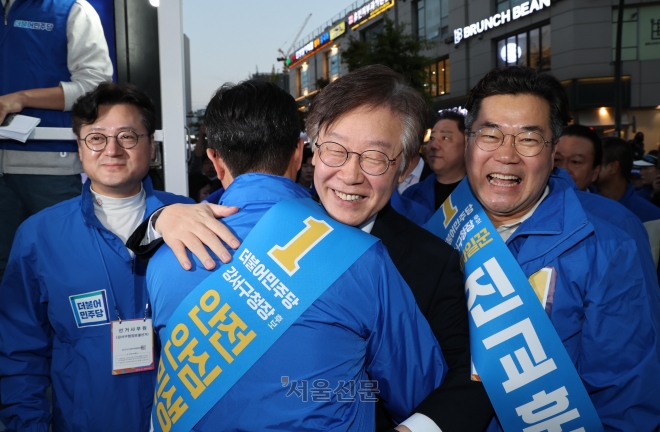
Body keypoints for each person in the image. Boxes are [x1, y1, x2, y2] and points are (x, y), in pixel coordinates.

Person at [129, 66, 493, 432]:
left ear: (404, 167)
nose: (351, 175)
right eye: (335, 150)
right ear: (310, 153)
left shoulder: (432, 261)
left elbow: (457, 383)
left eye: (375, 157)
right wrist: (159, 219)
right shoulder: (195, 230)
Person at [461, 66, 660, 430]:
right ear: (468, 141)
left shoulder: (608, 248)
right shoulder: (442, 228)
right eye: (490, 135)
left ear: (554, 150)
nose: (506, 155)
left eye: (529, 139)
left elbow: (626, 401)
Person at [0, 83, 196, 431]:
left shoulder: (191, 218)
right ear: (79, 147)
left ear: (151, 146)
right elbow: (19, 353)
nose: (112, 150)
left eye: (127, 136)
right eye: (96, 138)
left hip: (185, 419)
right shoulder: (40, 236)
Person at [0, 0, 113, 282]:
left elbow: (97, 86)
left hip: (49, 165)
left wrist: (22, 98)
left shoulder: (71, 9)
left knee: (65, 268)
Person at [595, 137, 660, 265]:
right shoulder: (581, 207)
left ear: (613, 167)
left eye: (597, 163)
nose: (591, 168)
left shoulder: (652, 216)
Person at [403, 109, 467, 222]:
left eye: (445, 138)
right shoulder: (411, 195)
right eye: (432, 138)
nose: (434, 145)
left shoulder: (481, 195)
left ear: (467, 144)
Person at [554, 124, 601, 191]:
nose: (563, 169)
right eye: (556, 160)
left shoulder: (600, 201)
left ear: (594, 173)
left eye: (575, 162)